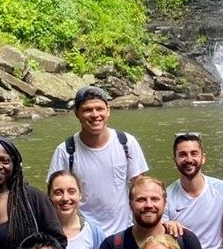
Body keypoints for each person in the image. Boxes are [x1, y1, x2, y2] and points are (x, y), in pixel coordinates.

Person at [46, 86, 149, 236]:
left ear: (108, 110)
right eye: (88, 110)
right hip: (83, 234)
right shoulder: (66, 151)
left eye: (100, 109)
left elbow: (141, 188)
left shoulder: (126, 143)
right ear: (77, 113)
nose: (95, 115)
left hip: (122, 232)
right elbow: (53, 196)